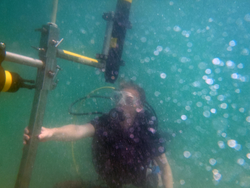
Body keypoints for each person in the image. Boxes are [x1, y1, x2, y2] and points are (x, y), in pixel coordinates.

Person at [24, 81, 173, 188]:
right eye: (117, 98)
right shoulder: (107, 122)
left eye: (128, 99)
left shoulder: (147, 130)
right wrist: (51, 133)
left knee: (153, 179)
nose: (120, 103)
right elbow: (78, 130)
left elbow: (165, 166)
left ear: (139, 106)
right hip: (112, 180)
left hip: (142, 178)